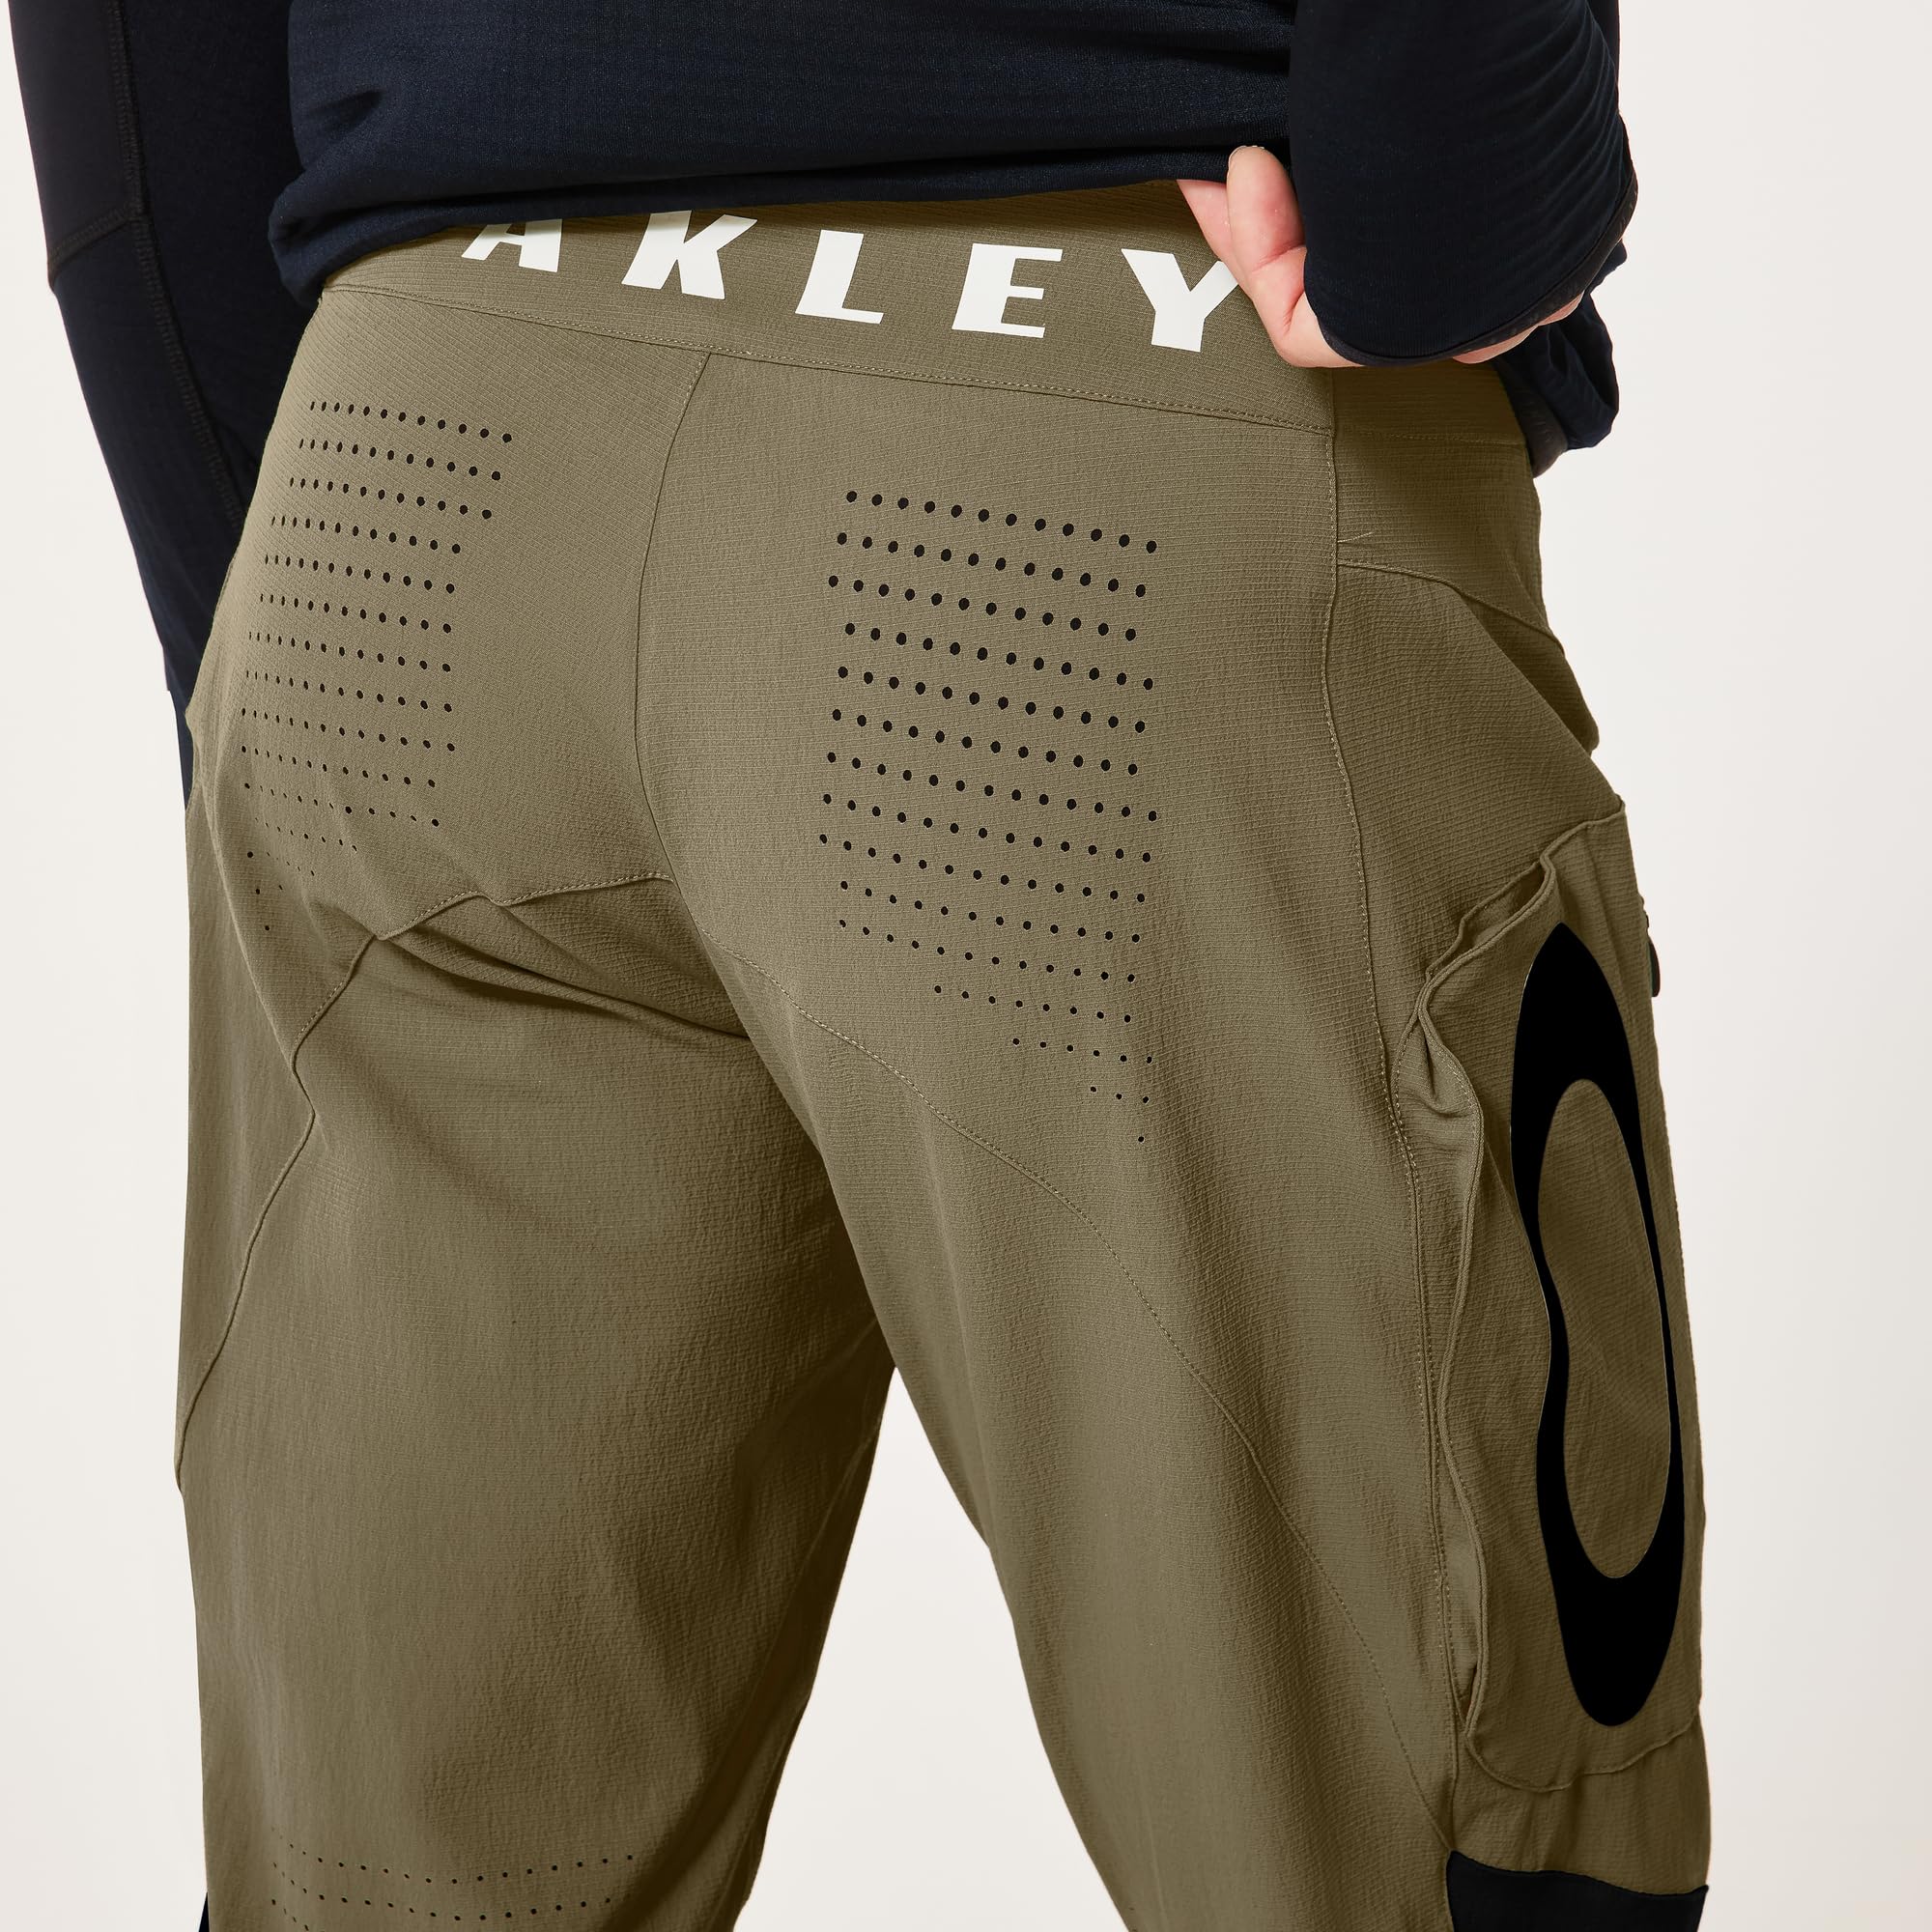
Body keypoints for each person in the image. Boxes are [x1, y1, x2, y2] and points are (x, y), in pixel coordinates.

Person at [10, 5, 1709, 1927]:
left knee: (390, 1894)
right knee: (1459, 1857)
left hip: (416, 480)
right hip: (1106, 444)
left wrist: (284, 612)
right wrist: (1463, 193)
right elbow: (1445, 216)